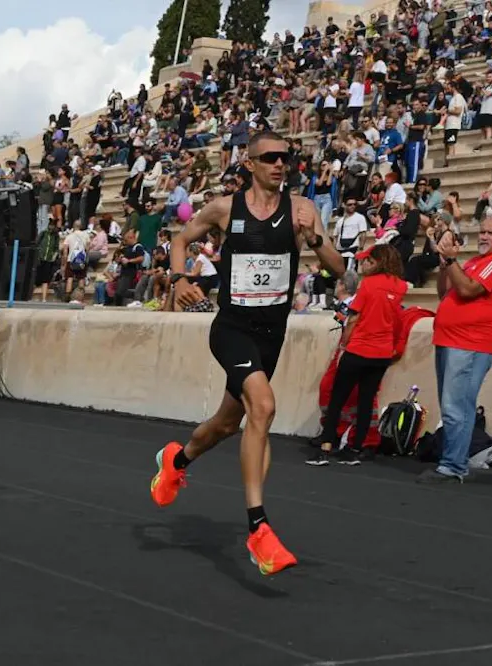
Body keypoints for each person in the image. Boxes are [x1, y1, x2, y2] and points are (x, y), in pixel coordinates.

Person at [149, 131, 344, 576]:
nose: (280, 164)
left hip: (271, 334)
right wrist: (179, 279)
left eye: (285, 158)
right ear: (250, 165)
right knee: (264, 406)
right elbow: (180, 240)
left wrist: (314, 241)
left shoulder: (302, 210)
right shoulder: (224, 208)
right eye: (270, 158)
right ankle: (258, 528)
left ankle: (176, 461)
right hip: (232, 328)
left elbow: (338, 270)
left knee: (225, 423)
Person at [417, 215, 492, 484]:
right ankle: (454, 463)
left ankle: (452, 466)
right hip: (452, 340)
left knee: (455, 406)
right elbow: (445, 291)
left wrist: (450, 261)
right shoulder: (473, 262)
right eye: (482, 231)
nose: (484, 236)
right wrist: (444, 264)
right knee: (457, 405)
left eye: (491, 233)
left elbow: (469, 290)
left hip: (470, 343)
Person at [308, 245, 407, 466]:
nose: (363, 265)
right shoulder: (399, 286)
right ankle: (355, 448)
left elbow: (353, 319)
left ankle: (326, 447)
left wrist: (344, 345)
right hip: (381, 352)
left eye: (367, 261)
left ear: (377, 262)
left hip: (359, 348)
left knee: (337, 399)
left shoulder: (369, 285)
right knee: (366, 401)